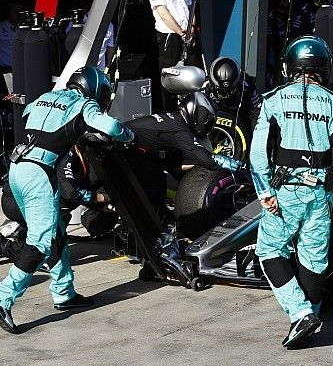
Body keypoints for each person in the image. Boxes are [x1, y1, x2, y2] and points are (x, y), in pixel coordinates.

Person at [0, 66, 133, 335]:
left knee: (56, 230)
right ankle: (3, 299)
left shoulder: (46, 96)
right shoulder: (84, 105)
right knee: (40, 241)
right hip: (40, 172)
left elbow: (32, 117)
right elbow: (111, 126)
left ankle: (63, 293)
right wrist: (129, 136)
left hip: (16, 168)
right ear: (93, 89)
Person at [250, 35, 333, 349]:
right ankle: (310, 316)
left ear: (290, 66)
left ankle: (300, 313)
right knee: (313, 259)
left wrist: (264, 190)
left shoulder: (274, 100)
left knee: (269, 251)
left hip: (286, 192)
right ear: (323, 66)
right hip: (322, 194)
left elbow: (258, 153)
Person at [125, 92, 242, 219]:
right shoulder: (179, 130)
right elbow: (206, 159)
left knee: (161, 171)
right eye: (207, 120)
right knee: (155, 190)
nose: (208, 125)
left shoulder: (174, 119)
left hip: (130, 149)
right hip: (125, 152)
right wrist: (230, 164)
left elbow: (172, 160)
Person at [147, 0, 202, 112]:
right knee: (170, 76)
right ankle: (171, 113)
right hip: (169, 36)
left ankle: (193, 110)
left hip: (187, 34)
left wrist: (191, 28)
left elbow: (190, 6)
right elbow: (162, 12)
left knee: (193, 72)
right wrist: (180, 31)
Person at [58, 144, 117, 239]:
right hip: (65, 195)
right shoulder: (67, 155)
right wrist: (103, 198)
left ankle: (92, 216)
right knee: (53, 235)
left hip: (90, 184)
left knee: (101, 225)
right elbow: (70, 192)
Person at [205, 56, 262, 137]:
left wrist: (255, 137)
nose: (226, 94)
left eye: (230, 90)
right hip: (213, 119)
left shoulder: (247, 85)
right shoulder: (205, 86)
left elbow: (255, 111)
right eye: (222, 91)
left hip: (239, 117)